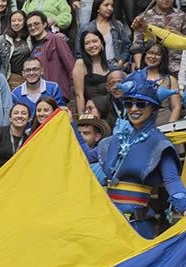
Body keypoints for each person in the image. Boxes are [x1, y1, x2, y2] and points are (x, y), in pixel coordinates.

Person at [79, 70, 186, 239]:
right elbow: (83, 156)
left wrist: (183, 205)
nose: (134, 109)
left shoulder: (160, 144)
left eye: (141, 104)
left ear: (153, 108)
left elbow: (172, 181)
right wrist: (68, 125)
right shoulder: (114, 140)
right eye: (129, 104)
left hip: (136, 229)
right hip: (106, 225)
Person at [26, 11, 75, 101]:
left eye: (36, 24)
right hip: (42, 95)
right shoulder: (33, 46)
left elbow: (70, 65)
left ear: (44, 24)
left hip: (58, 93)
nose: (33, 27)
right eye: (29, 25)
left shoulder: (56, 39)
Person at [131, 0, 186, 74]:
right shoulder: (144, 17)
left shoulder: (182, 15)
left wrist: (179, 35)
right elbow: (137, 46)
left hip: (176, 66)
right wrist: (139, 68)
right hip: (152, 66)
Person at [78, 0, 131, 70]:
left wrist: (121, 61)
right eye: (106, 5)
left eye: (112, 6)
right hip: (94, 68)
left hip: (115, 66)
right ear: (97, 8)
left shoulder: (118, 26)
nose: (110, 8)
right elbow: (79, 53)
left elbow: (127, 46)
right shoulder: (85, 28)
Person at [141, 41, 181, 122]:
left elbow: (176, 107)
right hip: (140, 125)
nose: (153, 56)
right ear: (145, 54)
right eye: (150, 53)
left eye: (158, 54)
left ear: (163, 57)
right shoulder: (134, 76)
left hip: (163, 123)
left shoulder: (171, 79)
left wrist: (170, 128)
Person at [0, 9, 32, 89]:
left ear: (25, 22)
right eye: (13, 21)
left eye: (20, 20)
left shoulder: (31, 37)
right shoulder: (2, 40)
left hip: (29, 76)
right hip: (9, 78)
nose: (16, 23)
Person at [73, 31, 110, 115]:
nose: (92, 45)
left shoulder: (109, 65)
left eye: (95, 41)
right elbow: (79, 95)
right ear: (83, 48)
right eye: (87, 43)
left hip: (109, 112)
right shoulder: (80, 64)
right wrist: (83, 120)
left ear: (102, 43)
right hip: (91, 113)